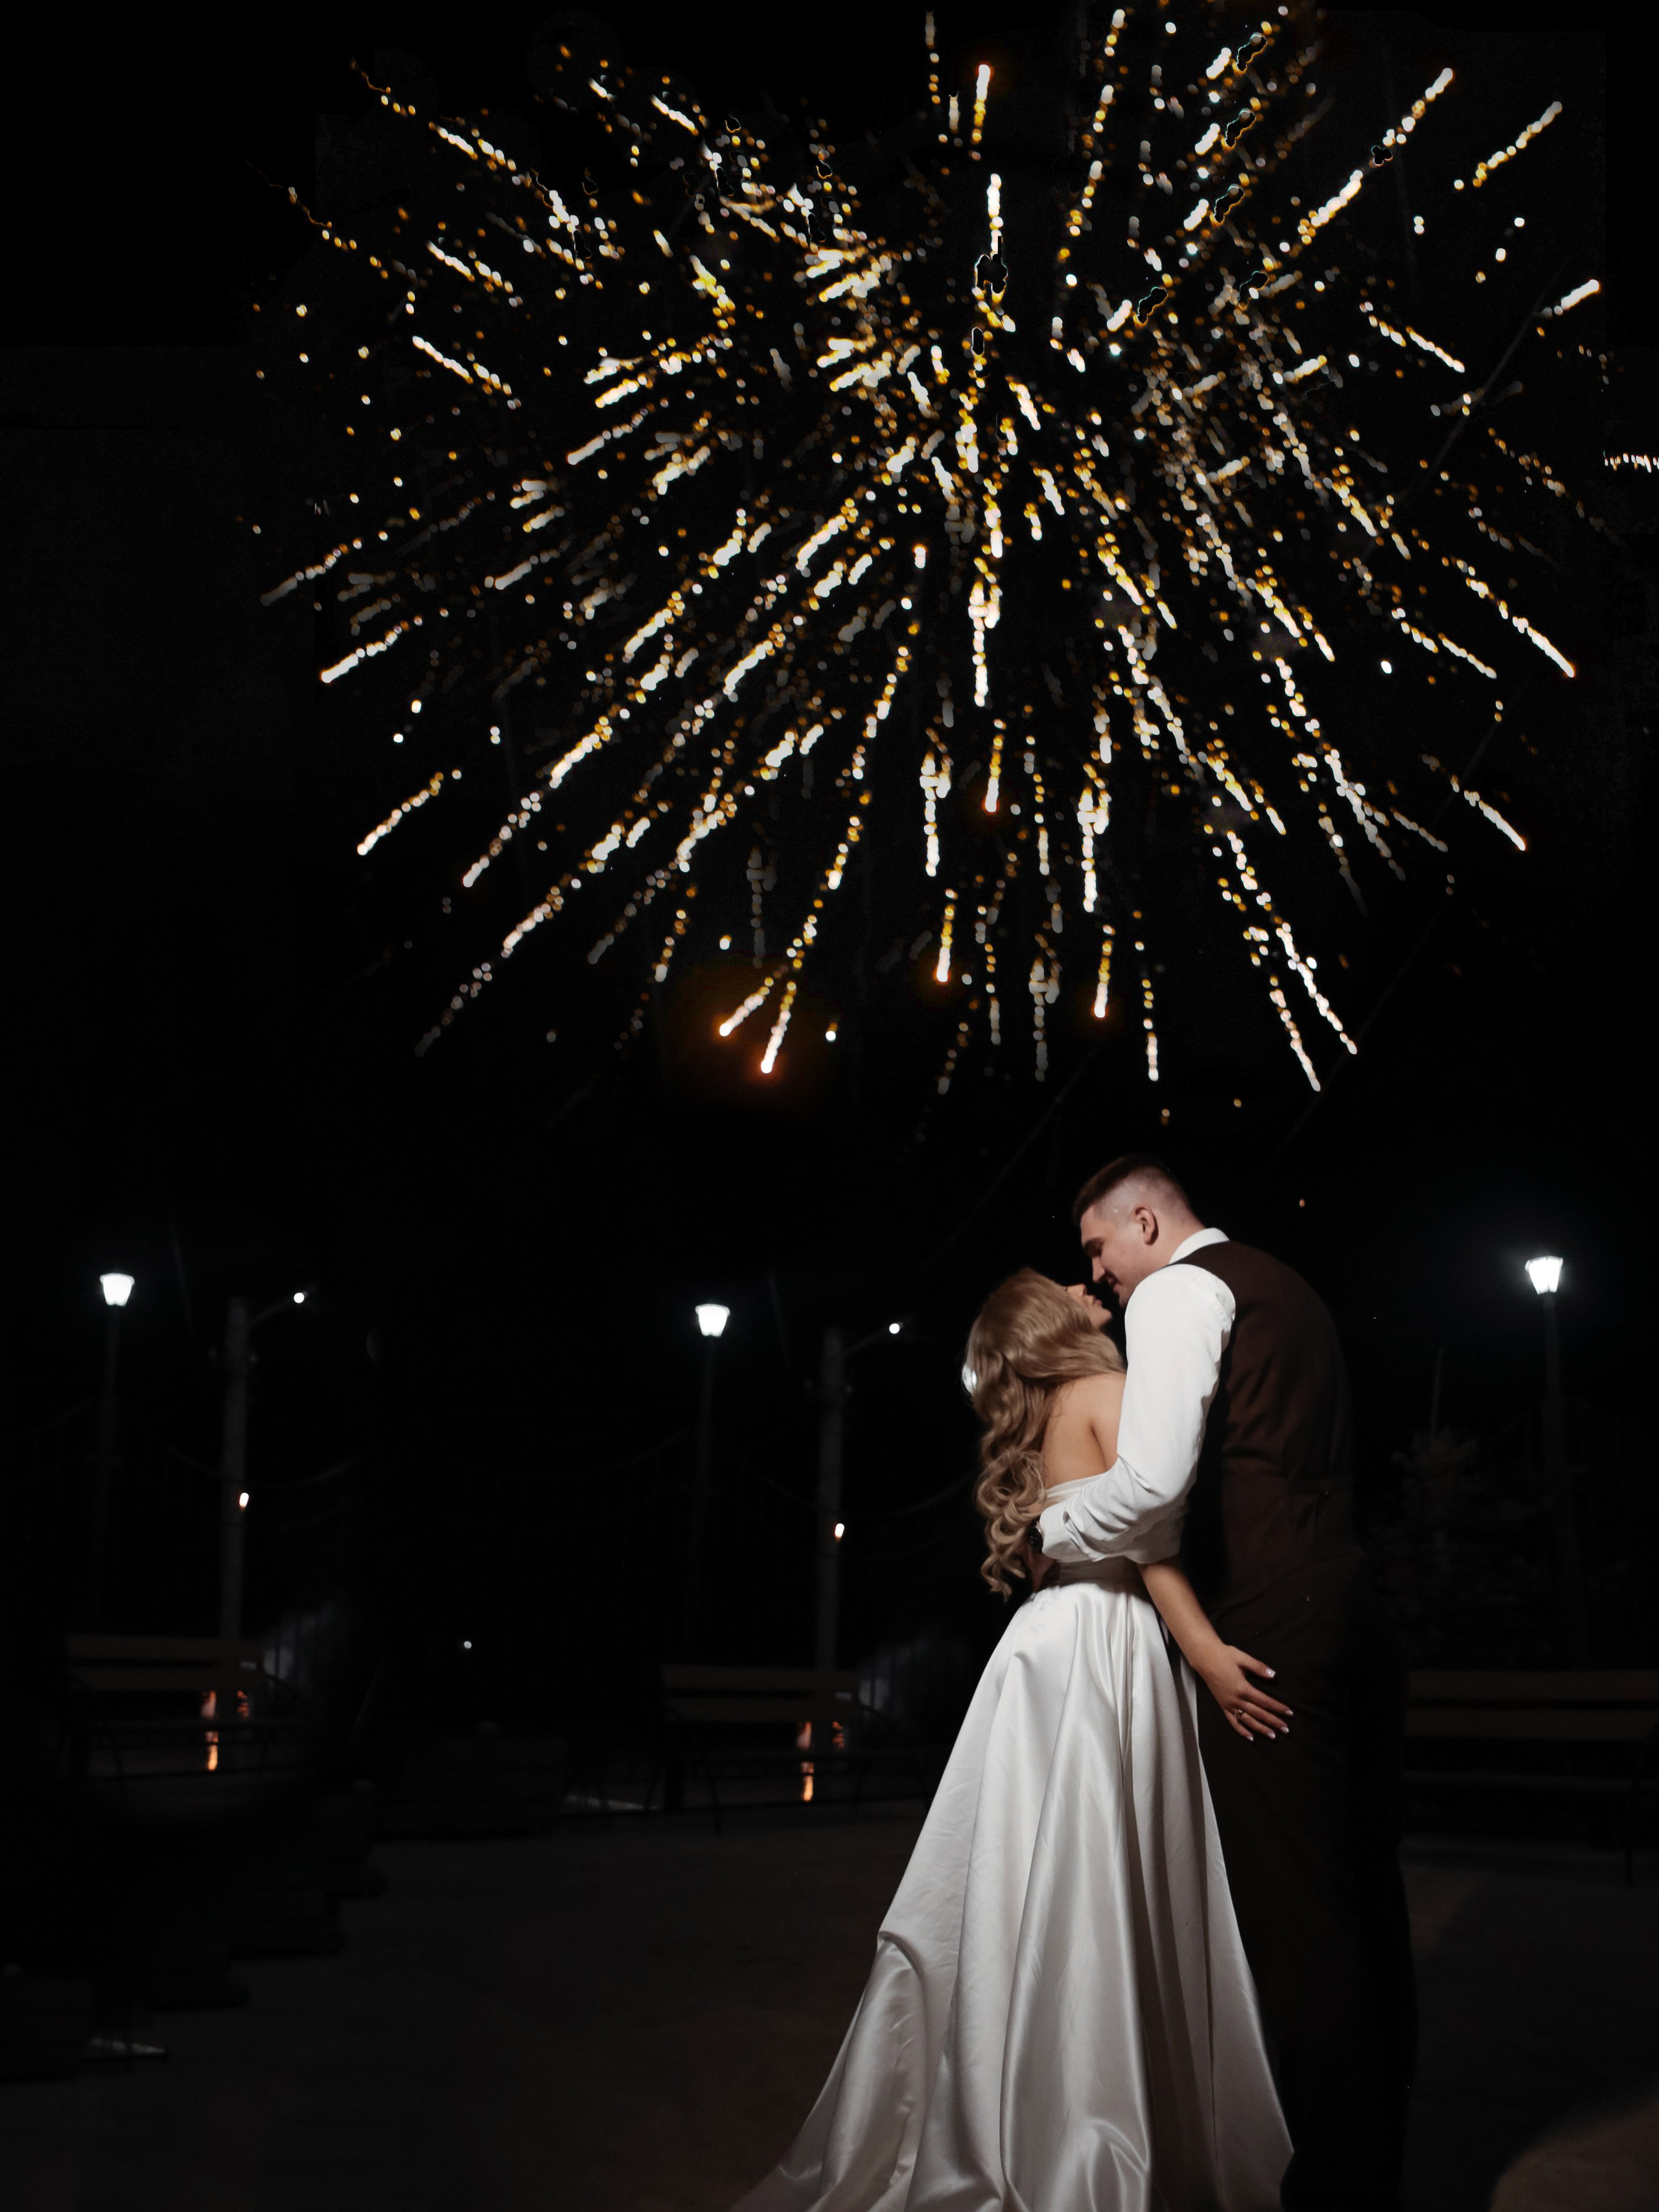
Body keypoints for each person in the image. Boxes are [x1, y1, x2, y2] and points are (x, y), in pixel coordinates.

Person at [735, 1268, 1292, 2212]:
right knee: (1091, 1874)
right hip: (1100, 1648)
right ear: (1048, 1318)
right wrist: (1204, 1653)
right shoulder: (1109, 1391)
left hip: (1041, 1647)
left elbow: (1059, 1546)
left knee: (1024, 1876)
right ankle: (1079, 2133)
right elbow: (1149, 1540)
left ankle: (1011, 2102)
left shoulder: (1039, 1414)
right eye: (1063, 1281)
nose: (1086, 1284)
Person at [1032, 1155, 1415, 2212]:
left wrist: (1054, 1523)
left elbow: (1153, 1487)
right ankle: (1377, 2160)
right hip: (1348, 1603)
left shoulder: (1178, 1291)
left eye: (1100, 1250)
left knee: (1296, 1922)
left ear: (1145, 1221)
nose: (1101, 1276)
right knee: (1361, 1896)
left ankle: (1335, 2186)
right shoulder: (1284, 1285)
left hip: (1265, 1629)